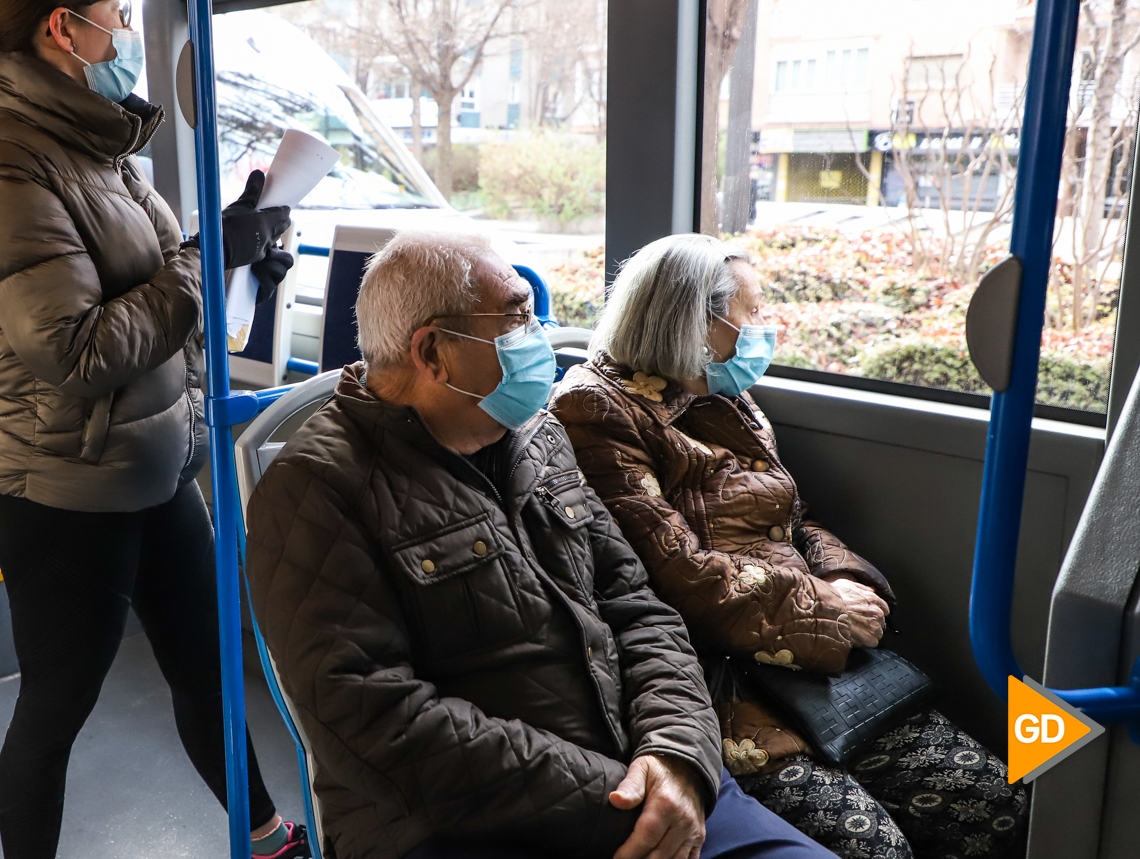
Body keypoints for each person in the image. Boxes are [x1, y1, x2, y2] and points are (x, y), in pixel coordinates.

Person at [247, 230, 837, 859]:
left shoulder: (537, 436)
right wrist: (621, 797)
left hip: (643, 767)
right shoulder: (316, 489)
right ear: (434, 352)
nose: (540, 334)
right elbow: (376, 720)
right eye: (518, 316)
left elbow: (638, 606)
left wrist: (676, 753)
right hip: (467, 822)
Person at [0, 0, 300, 859]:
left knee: (210, 671)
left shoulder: (100, 150)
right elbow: (78, 350)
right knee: (58, 704)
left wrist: (245, 260)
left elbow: (162, 284)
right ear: (64, 27)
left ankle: (263, 834)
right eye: (114, 11)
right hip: (62, 485)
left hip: (157, 460)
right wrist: (205, 259)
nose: (124, 27)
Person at [548, 233, 1028, 859]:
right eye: (750, 312)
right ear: (694, 321)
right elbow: (669, 575)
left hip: (813, 654)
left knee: (1000, 806)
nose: (760, 329)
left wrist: (848, 581)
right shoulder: (594, 412)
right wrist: (828, 610)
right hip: (722, 685)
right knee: (875, 851)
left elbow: (794, 518)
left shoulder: (724, 397)